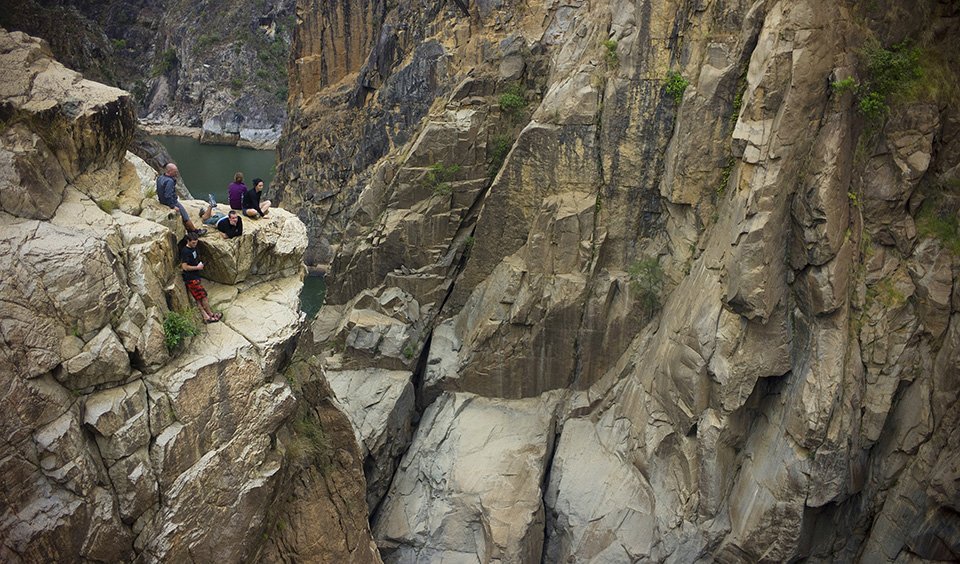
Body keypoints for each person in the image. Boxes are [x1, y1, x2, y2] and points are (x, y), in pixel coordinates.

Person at [179, 232, 221, 323]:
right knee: (203, 296)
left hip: (195, 276)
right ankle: (209, 314)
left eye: (196, 242)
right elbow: (184, 267)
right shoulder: (185, 251)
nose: (195, 244)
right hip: (191, 279)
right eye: (193, 242)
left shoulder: (193, 248)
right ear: (188, 241)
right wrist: (197, 267)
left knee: (198, 298)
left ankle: (207, 316)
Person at [157, 163, 206, 235]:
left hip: (162, 201)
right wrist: (173, 206)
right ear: (169, 171)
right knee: (185, 216)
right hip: (171, 202)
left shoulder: (160, 177)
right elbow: (168, 195)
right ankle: (195, 231)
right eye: (175, 171)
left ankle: (189, 231)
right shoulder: (169, 181)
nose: (176, 173)